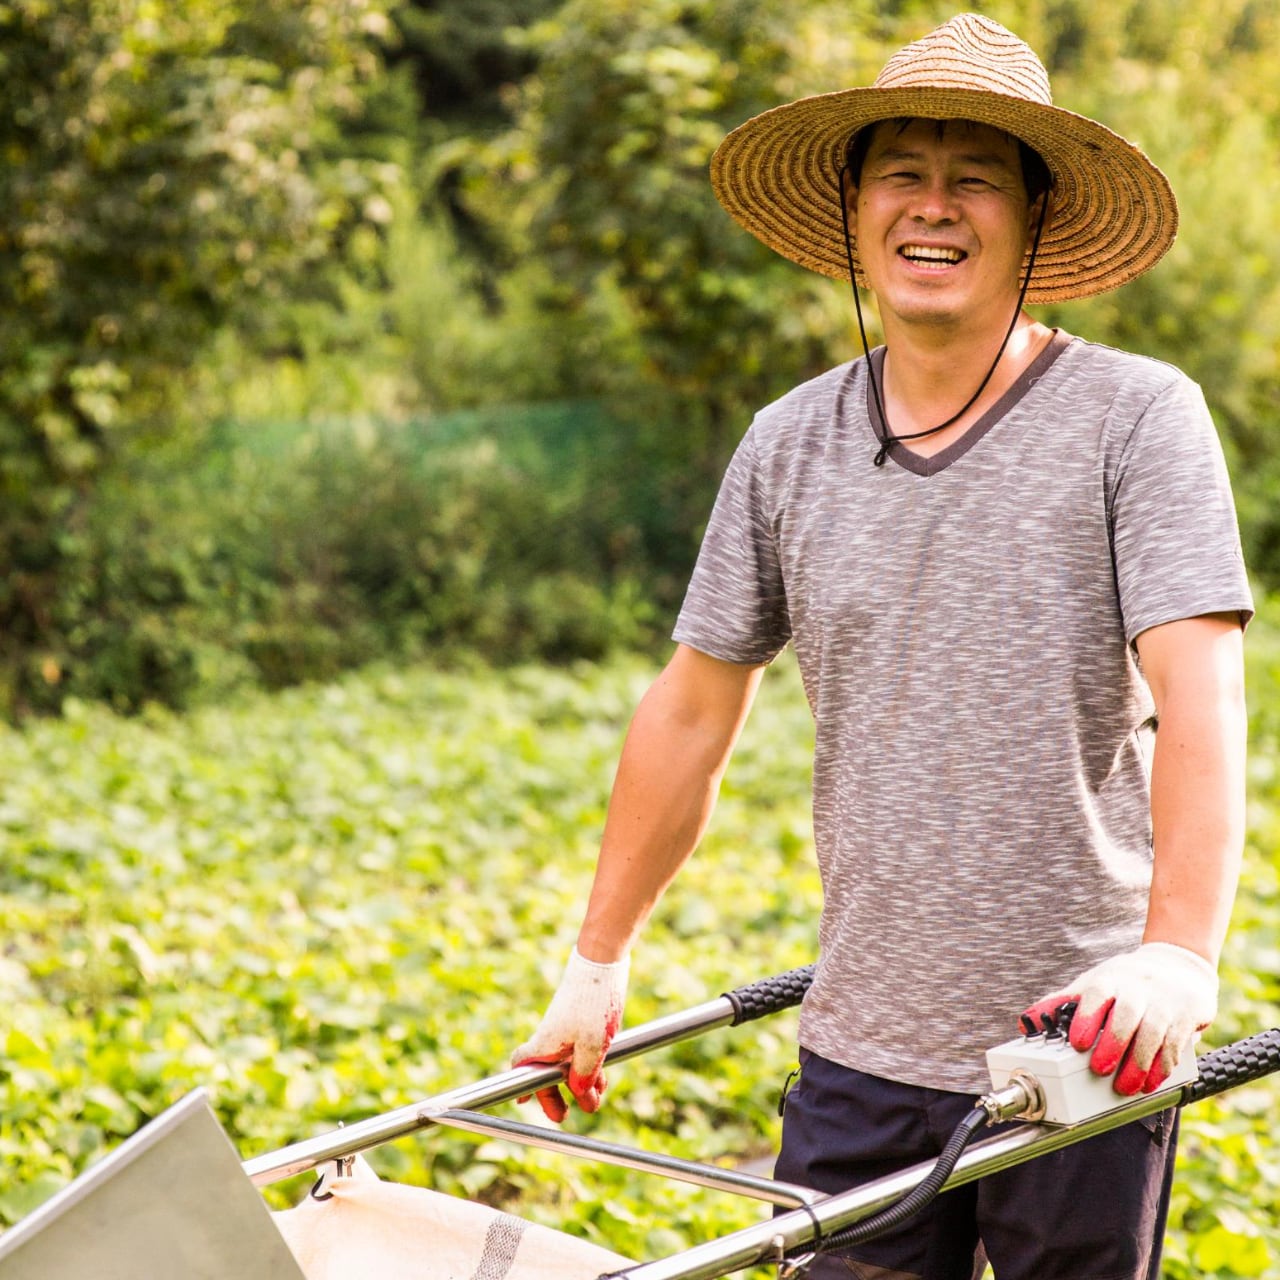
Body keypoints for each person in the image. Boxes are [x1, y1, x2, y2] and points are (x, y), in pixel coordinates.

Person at [510, 13, 1253, 1280]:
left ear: (1031, 219)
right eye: (901, 171)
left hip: (1081, 1048)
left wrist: (1178, 954)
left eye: (974, 176)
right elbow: (692, 707)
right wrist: (595, 958)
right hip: (857, 1046)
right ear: (854, 211)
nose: (934, 205)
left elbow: (1200, 693)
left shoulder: (1136, 417)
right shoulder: (787, 442)